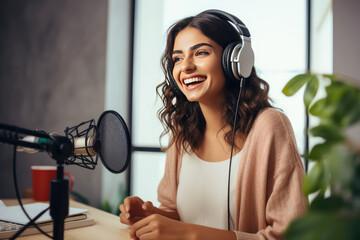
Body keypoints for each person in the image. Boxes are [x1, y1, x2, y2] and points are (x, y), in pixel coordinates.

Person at [119, 9, 307, 240]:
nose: (185, 66)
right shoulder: (181, 130)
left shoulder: (269, 126)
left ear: (235, 61)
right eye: (178, 58)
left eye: (200, 53)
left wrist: (188, 233)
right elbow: (176, 214)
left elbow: (290, 235)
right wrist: (150, 215)